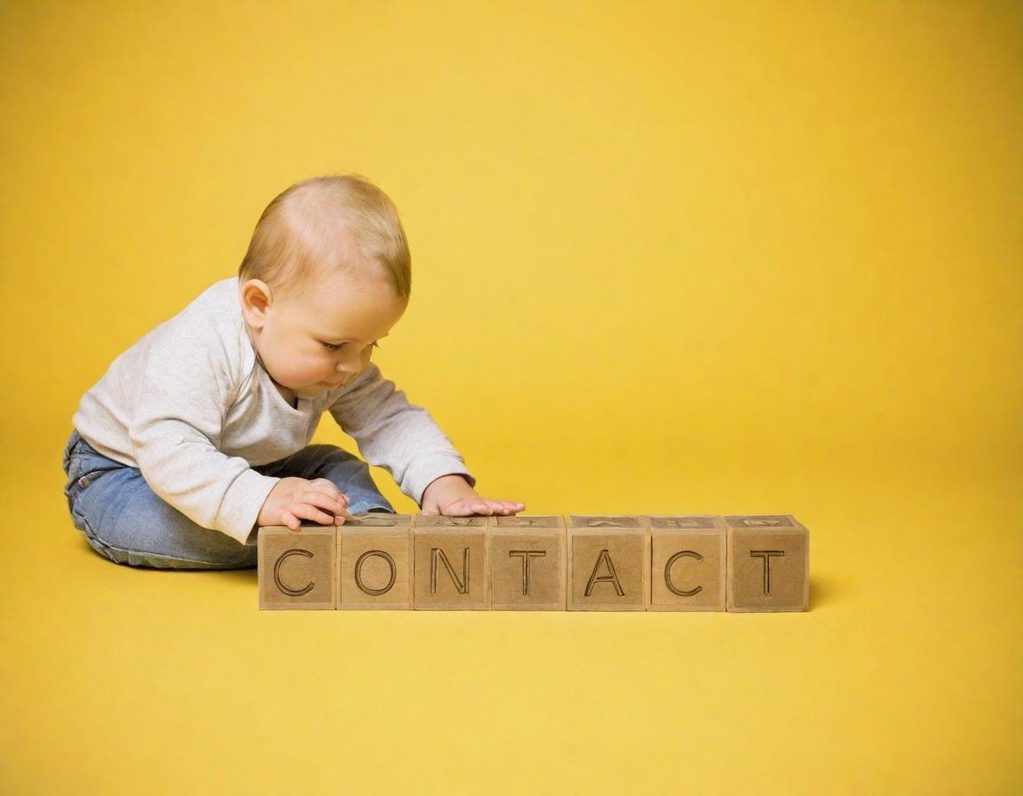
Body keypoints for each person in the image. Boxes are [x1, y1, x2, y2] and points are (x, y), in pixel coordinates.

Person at [62, 173, 526, 570]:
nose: (354, 364)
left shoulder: (335, 356)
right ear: (259, 305)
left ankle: (369, 530)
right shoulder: (204, 345)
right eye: (334, 345)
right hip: (124, 475)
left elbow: (390, 419)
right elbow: (168, 448)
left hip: (242, 462)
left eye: (371, 345)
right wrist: (261, 500)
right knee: (230, 527)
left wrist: (443, 483)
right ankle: (330, 538)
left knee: (331, 465)